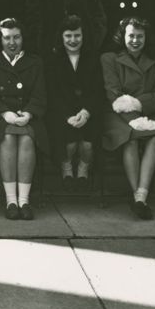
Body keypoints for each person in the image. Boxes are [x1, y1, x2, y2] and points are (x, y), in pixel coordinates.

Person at [101, 17, 155, 220]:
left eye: (140, 36)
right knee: (130, 139)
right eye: (131, 35)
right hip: (117, 115)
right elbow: (113, 93)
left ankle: (141, 197)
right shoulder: (109, 59)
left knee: (154, 139)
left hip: (149, 114)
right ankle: (137, 195)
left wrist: (138, 105)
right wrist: (133, 116)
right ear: (123, 36)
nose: (135, 40)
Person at [0, 18, 48, 220]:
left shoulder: (35, 62)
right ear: (0, 40)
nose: (12, 42)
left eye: (16, 37)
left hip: (28, 117)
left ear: (22, 38)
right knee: (8, 137)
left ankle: (24, 201)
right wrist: (5, 113)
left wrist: (29, 113)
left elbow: (40, 95)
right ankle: (11, 200)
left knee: (27, 138)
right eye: (7, 38)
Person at [45, 15, 104, 190]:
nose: (73, 40)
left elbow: (97, 90)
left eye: (77, 35)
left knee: (87, 143)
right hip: (62, 112)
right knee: (68, 141)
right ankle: (66, 168)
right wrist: (67, 116)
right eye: (68, 36)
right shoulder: (52, 60)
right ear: (61, 37)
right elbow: (53, 93)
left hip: (88, 112)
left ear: (84, 36)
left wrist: (86, 112)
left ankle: (84, 168)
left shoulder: (93, 58)